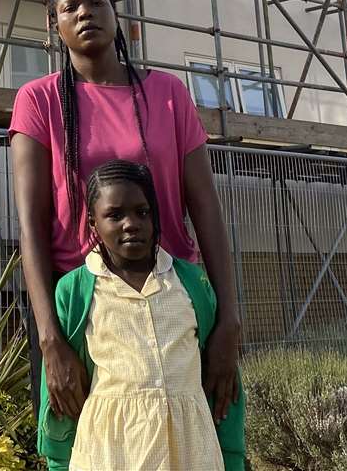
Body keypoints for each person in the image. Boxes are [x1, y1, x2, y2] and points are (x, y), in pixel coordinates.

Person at [10, 0, 242, 434]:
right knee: (81, 447)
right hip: (81, 306)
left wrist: (228, 320)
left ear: (117, 16)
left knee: (194, 437)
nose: (84, 13)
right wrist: (50, 338)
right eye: (69, 7)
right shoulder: (39, 101)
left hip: (173, 297)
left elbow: (206, 209)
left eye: (96, 3)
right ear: (54, 25)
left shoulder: (168, 94)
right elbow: (31, 226)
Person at [38, 160, 244, 471]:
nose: (130, 223)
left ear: (155, 216)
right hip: (108, 456)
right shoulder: (75, 291)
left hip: (192, 455)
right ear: (93, 222)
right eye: (114, 214)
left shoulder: (191, 284)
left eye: (142, 212)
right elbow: (59, 388)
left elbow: (223, 382)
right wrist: (57, 461)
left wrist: (232, 456)